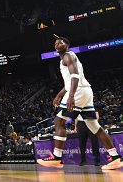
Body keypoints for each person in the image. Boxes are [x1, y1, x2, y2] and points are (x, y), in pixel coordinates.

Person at [37, 35, 123, 170]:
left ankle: (57, 158)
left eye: (61, 42)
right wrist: (59, 96)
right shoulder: (65, 59)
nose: (58, 43)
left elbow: (75, 76)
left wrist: (71, 96)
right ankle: (116, 157)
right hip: (85, 91)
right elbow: (68, 82)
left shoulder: (67, 56)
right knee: (94, 126)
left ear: (67, 45)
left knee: (59, 121)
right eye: (56, 42)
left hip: (78, 91)